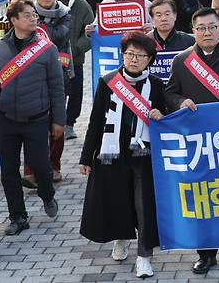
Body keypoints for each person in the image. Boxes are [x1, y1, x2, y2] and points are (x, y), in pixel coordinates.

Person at [165, 7, 219, 275]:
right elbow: (170, 93)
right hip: (196, 142)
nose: (207, 32)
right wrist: (181, 101)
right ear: (193, 31)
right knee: (202, 197)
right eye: (201, 28)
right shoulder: (182, 61)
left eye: (212, 27)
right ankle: (206, 254)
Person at [79, 32, 166, 279]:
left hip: (144, 155)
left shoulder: (157, 86)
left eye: (140, 55)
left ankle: (144, 257)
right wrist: (86, 157)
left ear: (149, 59)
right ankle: (121, 238)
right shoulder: (107, 82)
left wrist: (161, 114)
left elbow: (165, 118)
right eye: (129, 54)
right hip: (111, 154)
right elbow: (95, 121)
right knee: (118, 200)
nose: (134, 59)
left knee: (144, 206)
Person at [0, 0, 64, 235]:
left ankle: (47, 195)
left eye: (34, 15)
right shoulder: (1, 48)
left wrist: (59, 120)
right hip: (5, 119)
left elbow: (57, 87)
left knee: (41, 167)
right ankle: (18, 216)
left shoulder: (47, 49)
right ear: (13, 20)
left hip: (37, 118)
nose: (33, 19)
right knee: (8, 171)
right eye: (27, 15)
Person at [19, 0, 73, 186]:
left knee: (56, 121)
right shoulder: (26, 13)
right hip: (31, 76)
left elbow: (60, 36)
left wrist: (36, 25)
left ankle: (54, 165)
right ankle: (30, 170)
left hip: (60, 73)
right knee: (32, 123)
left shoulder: (65, 14)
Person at [55, 0, 94, 141]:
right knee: (57, 93)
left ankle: (70, 124)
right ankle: (56, 122)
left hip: (75, 60)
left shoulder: (82, 5)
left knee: (76, 92)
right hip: (52, 61)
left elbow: (90, 33)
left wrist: (77, 48)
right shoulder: (49, 4)